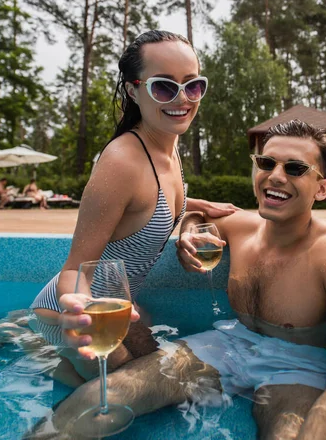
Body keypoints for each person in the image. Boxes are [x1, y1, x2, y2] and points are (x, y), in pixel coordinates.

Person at [29, 120, 326, 440]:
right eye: (266, 163)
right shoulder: (240, 226)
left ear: (322, 188)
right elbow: (198, 214)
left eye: (295, 168)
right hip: (231, 343)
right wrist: (188, 234)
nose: (275, 176)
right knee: (104, 396)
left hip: (299, 364)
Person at [29, 29, 238, 385]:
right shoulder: (123, 162)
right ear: (133, 90)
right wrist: (82, 314)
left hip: (121, 306)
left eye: (193, 85)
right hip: (78, 316)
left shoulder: (168, 143)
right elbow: (75, 270)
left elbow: (146, 205)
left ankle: (53, 363)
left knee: (160, 372)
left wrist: (195, 211)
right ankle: (47, 356)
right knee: (130, 391)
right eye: (164, 87)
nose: (182, 98)